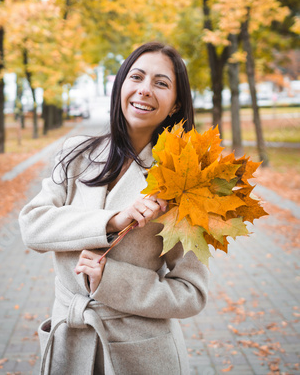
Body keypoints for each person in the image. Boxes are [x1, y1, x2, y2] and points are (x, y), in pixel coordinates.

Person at [19, 42, 209, 375]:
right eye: (136, 77)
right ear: (121, 85)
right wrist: (111, 221)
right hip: (70, 345)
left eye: (161, 83)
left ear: (175, 103)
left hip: (140, 354)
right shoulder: (76, 153)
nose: (145, 89)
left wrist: (113, 280)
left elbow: (191, 293)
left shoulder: (183, 183)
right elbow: (32, 226)